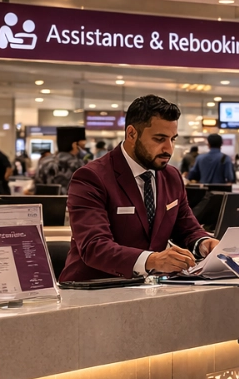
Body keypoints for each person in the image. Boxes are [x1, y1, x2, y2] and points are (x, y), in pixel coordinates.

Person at [61, 95, 217, 282]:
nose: (168, 148)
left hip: (149, 290)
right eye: (159, 139)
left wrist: (204, 243)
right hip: (93, 290)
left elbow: (187, 229)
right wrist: (152, 260)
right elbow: (95, 247)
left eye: (172, 139)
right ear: (132, 134)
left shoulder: (171, 177)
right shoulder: (91, 177)